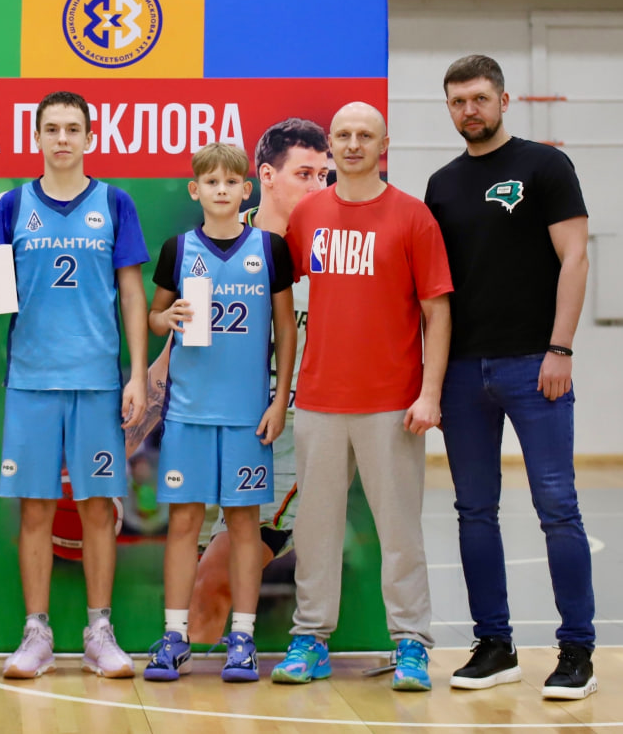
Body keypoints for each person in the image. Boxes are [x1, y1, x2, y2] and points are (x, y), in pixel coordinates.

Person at [426, 55, 596, 700]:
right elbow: (435, 291)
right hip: (462, 372)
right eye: (457, 101)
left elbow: (575, 258)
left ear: (503, 99)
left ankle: (577, 650)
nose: (469, 110)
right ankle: (494, 645)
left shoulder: (545, 167)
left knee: (557, 506)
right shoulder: (442, 185)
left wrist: (561, 348)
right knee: (474, 511)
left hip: (535, 365)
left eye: (478, 98)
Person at [274, 102, 452, 692]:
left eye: (365, 135)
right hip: (319, 400)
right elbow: (280, 299)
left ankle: (411, 643)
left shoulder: (413, 216)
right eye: (344, 135)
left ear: (384, 145)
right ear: (331, 144)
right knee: (314, 529)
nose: (354, 144)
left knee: (400, 531)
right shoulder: (308, 215)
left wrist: (430, 393)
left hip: (392, 403)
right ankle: (310, 638)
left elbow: (436, 310)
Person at [0, 91, 149, 680]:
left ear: (89, 136)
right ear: (38, 137)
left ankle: (99, 632)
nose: (63, 138)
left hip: (97, 380)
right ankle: (37, 633)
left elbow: (132, 293)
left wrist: (137, 374)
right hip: (31, 379)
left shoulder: (115, 203)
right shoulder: (12, 206)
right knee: (36, 507)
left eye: (73, 128)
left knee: (98, 507)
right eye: (52, 128)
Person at [143, 143, 295, 682]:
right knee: (184, 523)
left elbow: (285, 328)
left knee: (244, 525)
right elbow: (154, 315)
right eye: (211, 182)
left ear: (246, 189)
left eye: (232, 182)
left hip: (247, 416)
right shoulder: (178, 249)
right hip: (188, 414)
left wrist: (279, 399)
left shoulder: (270, 248)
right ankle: (175, 636)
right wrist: (167, 318)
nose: (222, 190)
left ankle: (244, 640)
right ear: (196, 190)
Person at [188, 118, 331, 645]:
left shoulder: (332, 252)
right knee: (201, 585)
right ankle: (193, 674)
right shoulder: (218, 238)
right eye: (305, 174)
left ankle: (225, 666)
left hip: (286, 435)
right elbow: (180, 348)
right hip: (215, 425)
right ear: (266, 175)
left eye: (324, 175)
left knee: (216, 574)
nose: (318, 186)